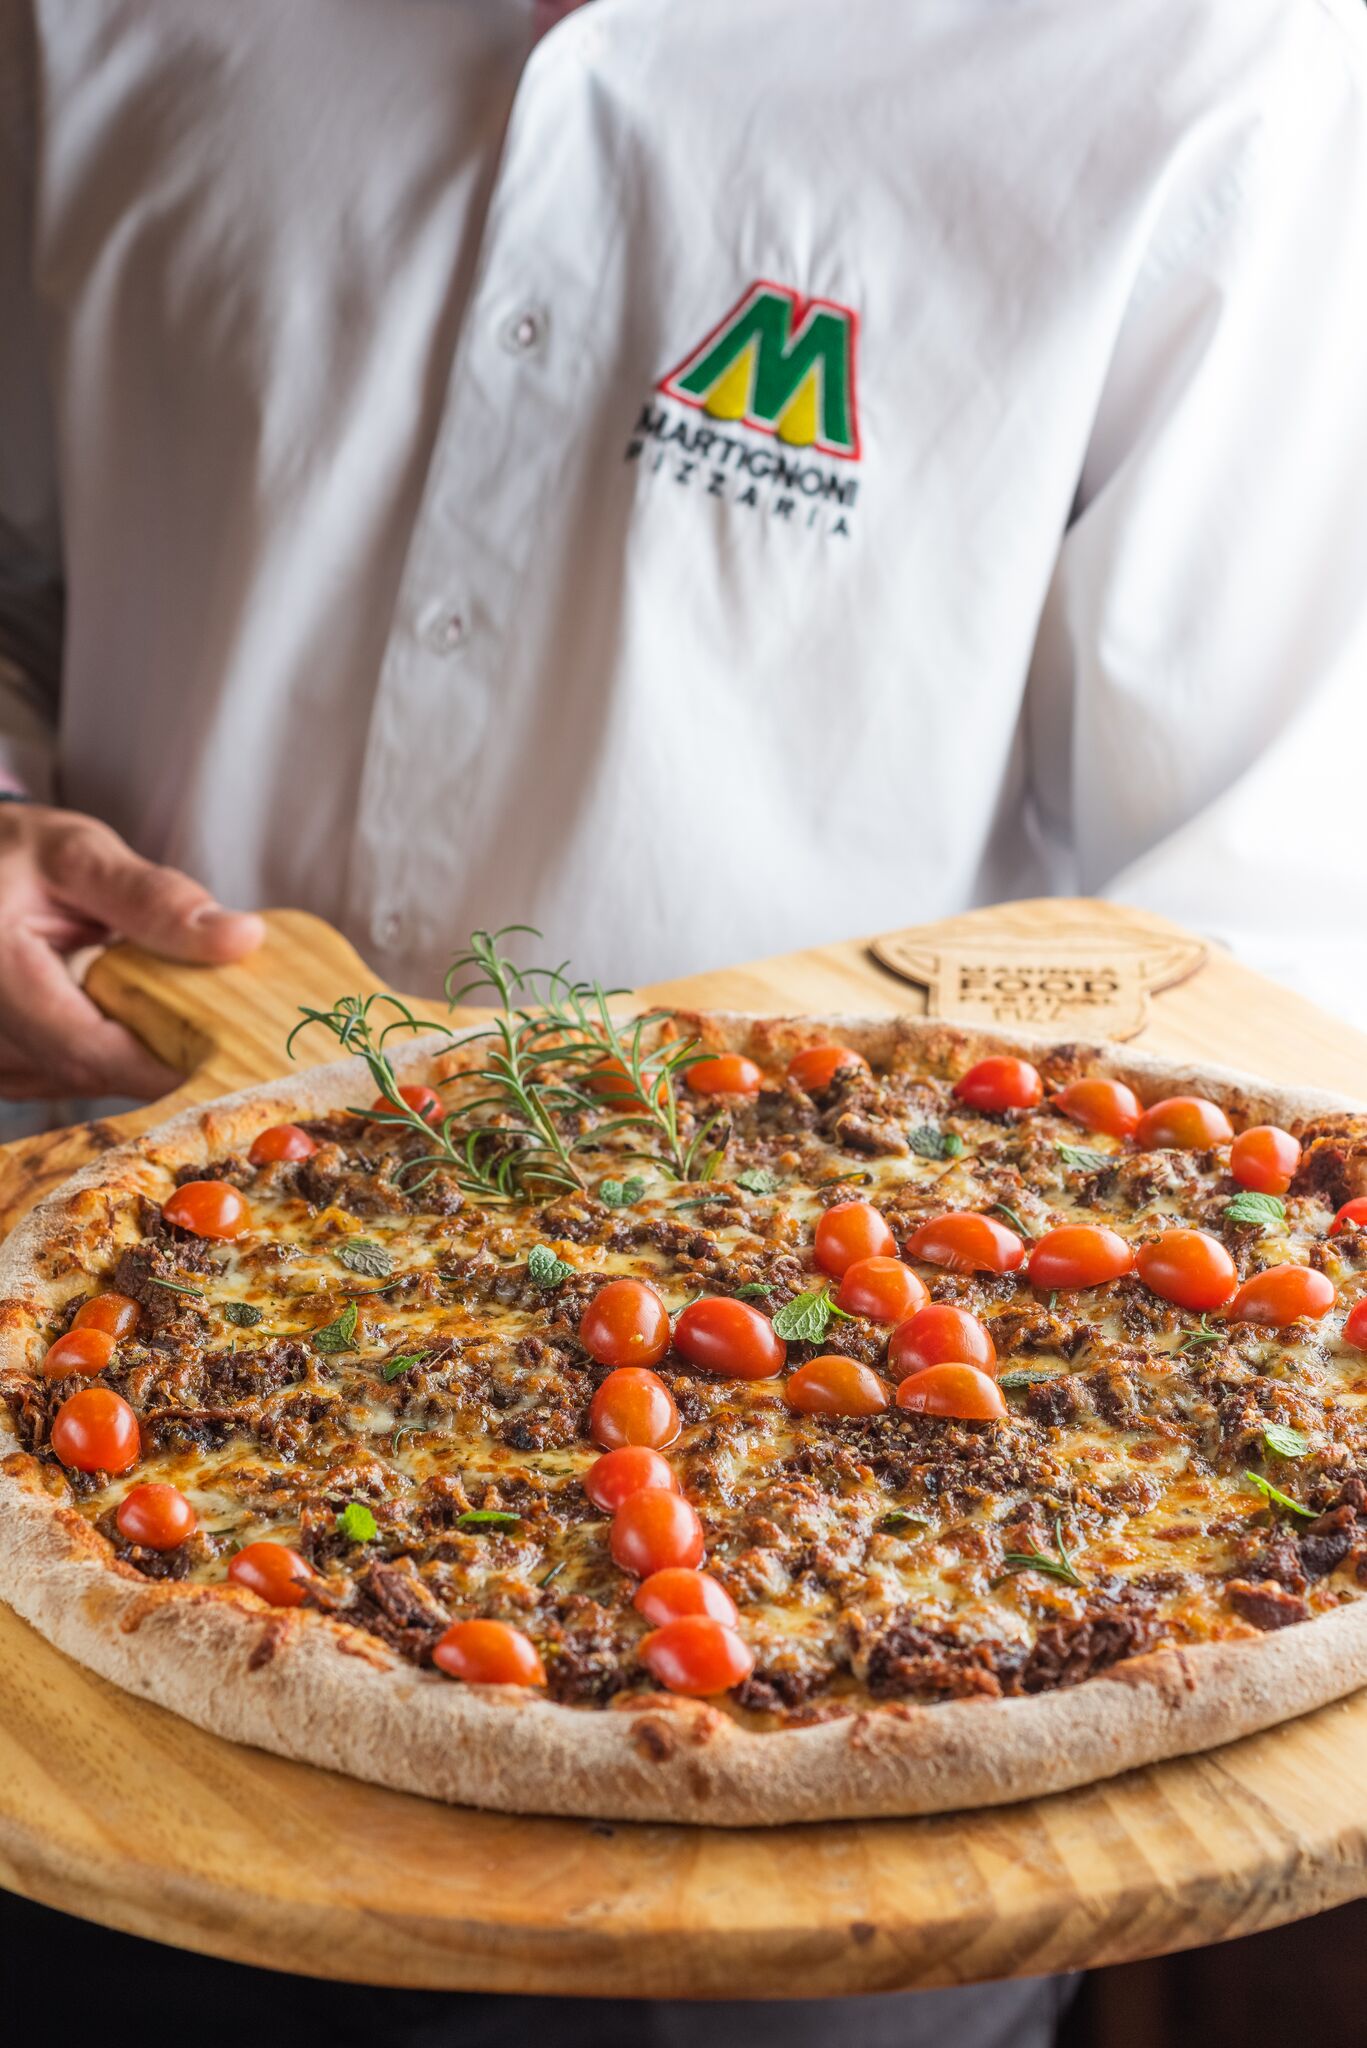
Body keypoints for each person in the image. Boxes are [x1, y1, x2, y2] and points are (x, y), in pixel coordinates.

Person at [1, 0, 1365, 2041]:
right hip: (150, 1356)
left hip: (891, 1660)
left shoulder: (1218, 64)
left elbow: (1244, 925)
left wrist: (981, 1356)